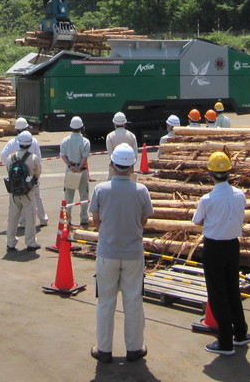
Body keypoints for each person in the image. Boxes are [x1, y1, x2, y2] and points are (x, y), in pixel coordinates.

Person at [89, 143, 153, 364]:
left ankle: (104, 349)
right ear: (133, 165)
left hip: (107, 252)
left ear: (111, 164)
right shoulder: (141, 190)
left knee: (106, 302)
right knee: (133, 301)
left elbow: (95, 221)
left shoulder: (100, 189)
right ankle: (134, 348)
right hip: (133, 253)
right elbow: (144, 221)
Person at [192, 151, 250, 355]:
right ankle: (241, 333)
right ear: (229, 172)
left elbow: (196, 221)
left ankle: (225, 341)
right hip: (233, 246)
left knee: (217, 293)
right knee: (233, 289)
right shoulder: (240, 195)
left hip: (214, 248)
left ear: (210, 173)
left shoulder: (207, 199)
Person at [0, 118, 48, 227]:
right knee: (36, 197)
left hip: (17, 176)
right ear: (26, 128)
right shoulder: (33, 141)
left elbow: (3, 156)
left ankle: (22, 221)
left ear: (16, 129)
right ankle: (43, 218)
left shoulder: (12, 142)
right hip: (31, 175)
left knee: (18, 198)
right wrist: (36, 175)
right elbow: (39, 160)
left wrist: (11, 169)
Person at [5, 131, 41, 252]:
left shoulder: (11, 157)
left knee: (13, 217)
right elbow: (37, 174)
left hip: (14, 192)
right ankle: (31, 242)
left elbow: (7, 170)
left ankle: (10, 242)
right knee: (30, 217)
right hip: (28, 192)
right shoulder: (33, 158)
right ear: (30, 144)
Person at [59, 116, 91, 227]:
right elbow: (85, 157)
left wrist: (70, 166)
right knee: (84, 195)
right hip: (81, 170)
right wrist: (79, 167)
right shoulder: (85, 141)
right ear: (81, 127)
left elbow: (62, 155)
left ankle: (67, 219)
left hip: (70, 170)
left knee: (69, 196)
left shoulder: (65, 140)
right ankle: (84, 218)